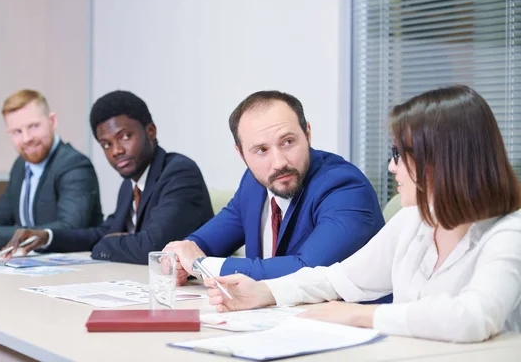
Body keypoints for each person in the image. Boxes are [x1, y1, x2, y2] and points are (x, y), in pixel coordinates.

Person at [205, 85, 521, 343]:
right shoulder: (414, 221)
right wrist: (263, 292)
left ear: (443, 160)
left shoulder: (509, 234)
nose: (391, 166)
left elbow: (475, 317)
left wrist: (361, 316)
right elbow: (338, 278)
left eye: (399, 154)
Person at [164, 90, 385, 284]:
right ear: (241, 154)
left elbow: (307, 270)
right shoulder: (253, 183)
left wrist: (201, 266)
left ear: (307, 134)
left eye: (288, 142)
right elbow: (203, 243)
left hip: (350, 325)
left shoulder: (345, 187)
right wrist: (178, 258)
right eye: (261, 150)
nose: (279, 163)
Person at [3, 90, 214, 264]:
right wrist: (47, 236)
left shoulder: (179, 173)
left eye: (125, 137)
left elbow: (152, 248)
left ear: (150, 131)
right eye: (106, 144)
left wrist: (104, 244)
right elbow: (104, 232)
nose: (116, 151)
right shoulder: (129, 186)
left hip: (196, 295)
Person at [0, 90, 103, 245]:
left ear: (52, 121)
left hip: (78, 268)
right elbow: (0, 215)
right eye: (17, 132)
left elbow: (70, 228)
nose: (26, 138)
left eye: (33, 126)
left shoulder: (74, 165)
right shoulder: (21, 165)